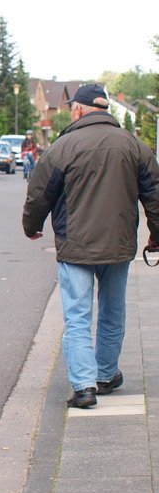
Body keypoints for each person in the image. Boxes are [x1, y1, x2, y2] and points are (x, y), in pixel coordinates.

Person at [23, 83, 159, 409]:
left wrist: (31, 227)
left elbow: (39, 193)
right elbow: (154, 195)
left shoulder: (62, 147)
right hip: (119, 245)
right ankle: (106, 374)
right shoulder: (134, 146)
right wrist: (156, 234)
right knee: (113, 312)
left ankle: (84, 387)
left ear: (80, 110)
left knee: (78, 317)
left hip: (76, 245)